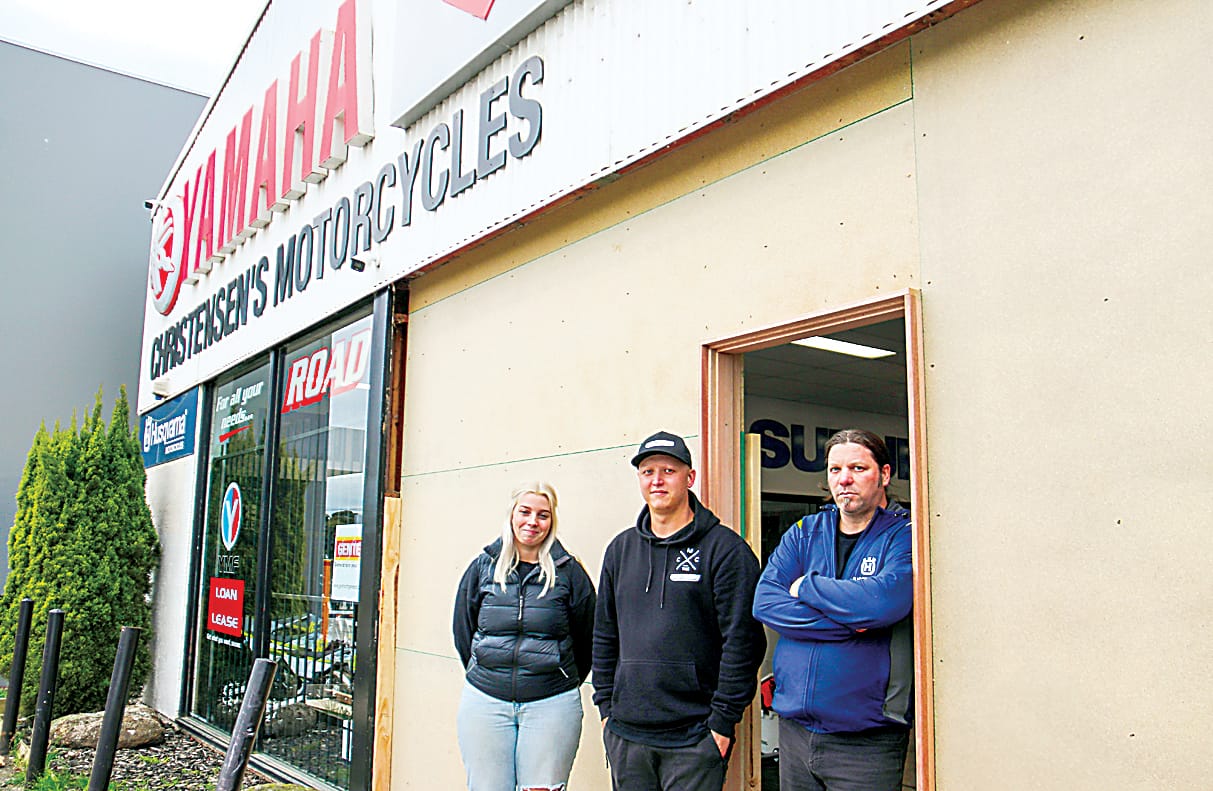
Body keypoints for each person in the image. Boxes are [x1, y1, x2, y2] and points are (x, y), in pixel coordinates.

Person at [593, 430, 766, 790]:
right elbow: (604, 635)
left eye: (668, 471)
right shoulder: (620, 550)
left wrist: (721, 724)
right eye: (647, 471)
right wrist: (606, 709)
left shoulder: (725, 551)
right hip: (627, 735)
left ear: (690, 478)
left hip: (694, 738)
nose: (656, 480)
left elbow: (744, 642)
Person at [752, 428, 913, 791]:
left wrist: (806, 587)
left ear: (884, 474)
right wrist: (849, 624)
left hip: (867, 738)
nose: (845, 480)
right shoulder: (805, 532)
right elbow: (765, 601)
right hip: (795, 732)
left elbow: (883, 602)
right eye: (835, 469)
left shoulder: (904, 534)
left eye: (858, 468)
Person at [453, 482, 597, 791]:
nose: (533, 522)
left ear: (552, 521)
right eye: (525, 512)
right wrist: (488, 671)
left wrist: (557, 674)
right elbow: (463, 632)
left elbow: (588, 639)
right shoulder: (482, 567)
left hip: (551, 704)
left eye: (543, 515)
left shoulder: (570, 573)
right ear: (512, 515)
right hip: (485, 702)